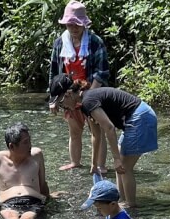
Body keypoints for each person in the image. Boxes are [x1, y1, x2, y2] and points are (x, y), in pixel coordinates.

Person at [49, 75, 157, 208]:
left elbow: (109, 128)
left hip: (140, 117)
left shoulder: (88, 101)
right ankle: (120, 201)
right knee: (120, 167)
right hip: (136, 117)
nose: (63, 107)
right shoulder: (84, 104)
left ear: (69, 94)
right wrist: (94, 165)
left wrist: (117, 159)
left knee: (124, 166)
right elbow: (96, 135)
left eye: (61, 103)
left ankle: (130, 205)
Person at [49, 0, 110, 172]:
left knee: (96, 132)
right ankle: (75, 162)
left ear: (84, 24)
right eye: (70, 24)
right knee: (74, 131)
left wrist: (91, 95)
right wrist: (54, 99)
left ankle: (100, 165)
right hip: (70, 95)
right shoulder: (59, 43)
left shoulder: (95, 42)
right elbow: (54, 73)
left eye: (77, 24)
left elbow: (102, 71)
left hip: (92, 91)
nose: (74, 28)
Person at [0, 122, 50, 219]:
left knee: (28, 218)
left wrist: (50, 198)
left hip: (33, 201)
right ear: (12, 146)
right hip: (8, 202)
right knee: (10, 216)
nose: (30, 145)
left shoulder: (37, 155)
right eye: (25, 142)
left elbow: (42, 183)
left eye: (29, 140)